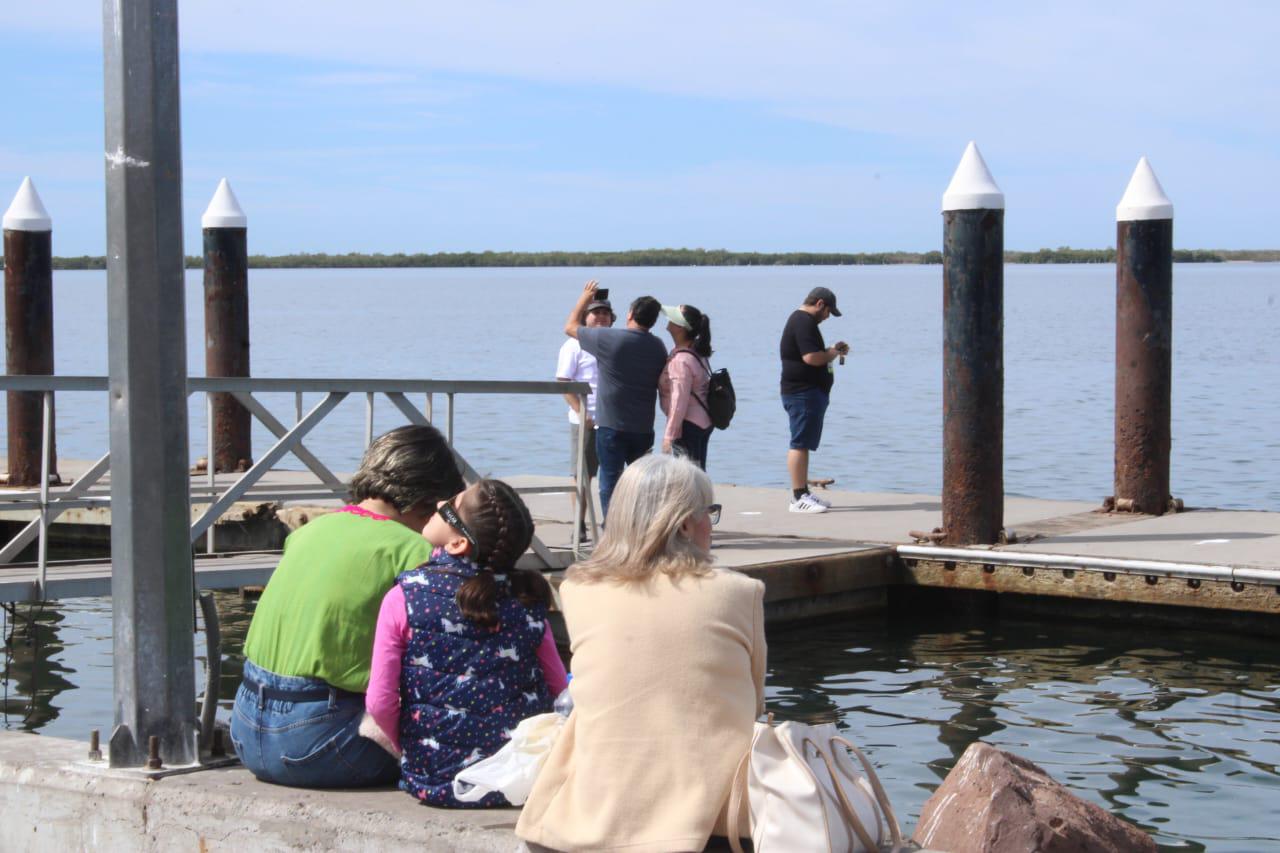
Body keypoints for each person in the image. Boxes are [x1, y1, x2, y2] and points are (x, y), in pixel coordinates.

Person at [516, 454, 766, 852]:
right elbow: (752, 706)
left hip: (592, 813)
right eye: (709, 513)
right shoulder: (739, 593)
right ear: (684, 523)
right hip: (710, 824)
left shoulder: (578, 590)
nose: (710, 526)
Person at [231, 424, 465, 788]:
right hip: (318, 741)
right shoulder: (413, 550)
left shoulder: (307, 533)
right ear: (428, 503)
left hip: (244, 727)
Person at [361, 479, 569, 807]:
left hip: (434, 780)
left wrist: (417, 747)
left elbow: (380, 703)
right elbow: (559, 689)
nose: (441, 502)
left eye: (452, 505)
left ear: (458, 543)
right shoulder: (527, 599)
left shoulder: (405, 595)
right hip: (518, 779)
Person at [565, 279, 668, 521]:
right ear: (653, 321)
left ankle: (612, 531)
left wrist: (585, 297)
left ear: (630, 314)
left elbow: (569, 327)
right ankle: (639, 528)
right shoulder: (658, 346)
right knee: (640, 483)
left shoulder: (609, 339)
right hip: (643, 427)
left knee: (609, 481)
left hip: (611, 426)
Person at [779, 286, 849, 514]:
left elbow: (812, 353)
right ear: (820, 304)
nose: (827, 317)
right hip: (802, 393)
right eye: (828, 311)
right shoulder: (803, 321)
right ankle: (798, 497)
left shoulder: (803, 322)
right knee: (799, 443)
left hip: (807, 392)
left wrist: (831, 350)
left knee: (805, 443)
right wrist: (832, 354)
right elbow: (811, 357)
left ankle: (804, 493)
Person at [556, 294, 615, 536]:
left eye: (605, 313)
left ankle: (612, 524)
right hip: (586, 420)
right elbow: (563, 382)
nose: (601, 317)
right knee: (582, 475)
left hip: (612, 419)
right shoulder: (573, 345)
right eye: (595, 313)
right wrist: (582, 416)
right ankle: (578, 526)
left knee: (612, 474)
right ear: (585, 318)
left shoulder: (614, 342)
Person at [658, 303, 714, 470]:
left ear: (681, 328)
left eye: (673, 317)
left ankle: (699, 497)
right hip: (703, 421)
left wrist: (669, 436)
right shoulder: (695, 352)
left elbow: (678, 401)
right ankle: (703, 497)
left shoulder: (681, 360)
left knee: (687, 477)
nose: (668, 319)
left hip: (688, 425)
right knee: (697, 472)